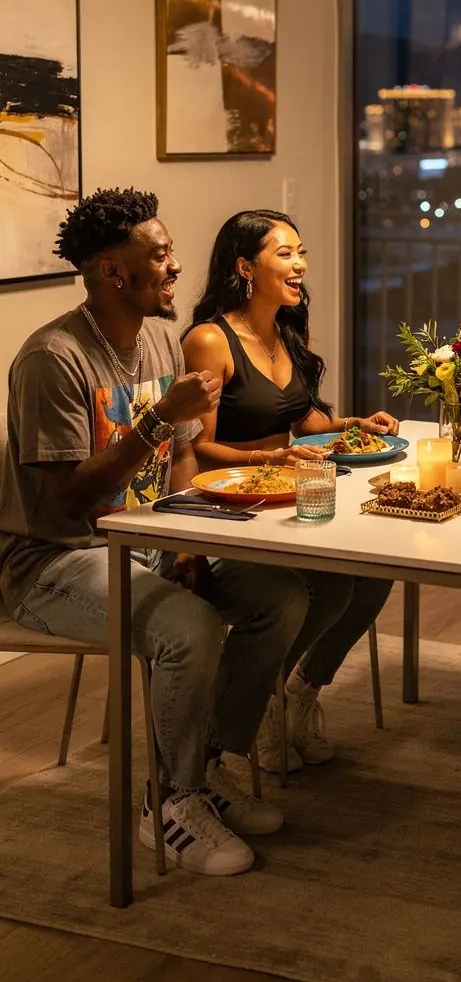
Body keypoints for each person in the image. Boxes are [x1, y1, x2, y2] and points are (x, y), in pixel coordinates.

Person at [0, 187, 299, 877]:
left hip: (149, 538)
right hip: (53, 560)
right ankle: (170, 804)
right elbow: (70, 499)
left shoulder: (164, 337)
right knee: (187, 627)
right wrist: (155, 422)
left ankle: (210, 768)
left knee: (278, 595)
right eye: (159, 256)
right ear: (114, 274)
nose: (175, 266)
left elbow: (185, 454)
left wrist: (187, 541)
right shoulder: (52, 359)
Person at [182, 208, 397, 772]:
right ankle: (261, 705)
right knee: (326, 588)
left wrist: (353, 424)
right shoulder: (210, 339)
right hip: (230, 505)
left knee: (374, 575)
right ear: (244, 267)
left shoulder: (286, 329)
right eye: (286, 253)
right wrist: (272, 456)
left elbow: (300, 420)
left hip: (288, 494)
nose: (301, 264)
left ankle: (297, 689)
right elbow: (199, 449)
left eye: (301, 252)